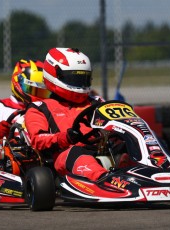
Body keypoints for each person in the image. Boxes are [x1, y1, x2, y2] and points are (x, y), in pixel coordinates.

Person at [25, 47, 108, 182]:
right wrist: (65, 137)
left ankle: (149, 171)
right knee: (76, 152)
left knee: (126, 145)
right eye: (75, 78)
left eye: (84, 78)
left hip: (100, 149)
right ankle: (104, 180)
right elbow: (38, 140)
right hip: (65, 155)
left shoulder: (97, 103)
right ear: (55, 75)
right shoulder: (40, 108)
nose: (80, 84)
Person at [0, 59, 50, 144]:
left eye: (41, 91)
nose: (37, 95)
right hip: (6, 155)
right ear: (18, 82)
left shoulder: (49, 108)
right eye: (31, 89)